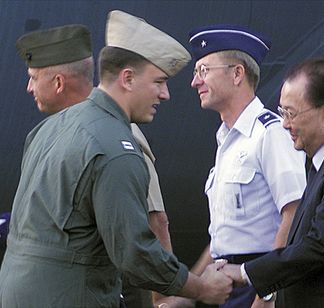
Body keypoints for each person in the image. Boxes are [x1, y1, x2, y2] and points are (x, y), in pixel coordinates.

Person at [0, 10, 232, 307]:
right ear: (128, 78)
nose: (165, 95)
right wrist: (201, 289)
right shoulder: (116, 149)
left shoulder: (48, 128)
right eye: (159, 82)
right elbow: (136, 254)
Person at [14, 23, 179, 308]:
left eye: (33, 78)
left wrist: (162, 299)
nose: (28, 87)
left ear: (58, 82)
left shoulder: (120, 136)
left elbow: (155, 220)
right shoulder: (56, 133)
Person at [221, 58, 324, 308]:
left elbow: (319, 246)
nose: (285, 124)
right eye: (282, 112)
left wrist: (246, 272)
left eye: (291, 113)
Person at [186, 24, 306, 307]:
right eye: (196, 72)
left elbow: (295, 214)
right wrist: (190, 291)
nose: (195, 82)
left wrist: (267, 294)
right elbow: (224, 239)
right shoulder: (227, 141)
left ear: (237, 73)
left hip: (258, 285)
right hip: (229, 286)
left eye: (204, 71)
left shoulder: (270, 134)